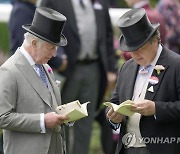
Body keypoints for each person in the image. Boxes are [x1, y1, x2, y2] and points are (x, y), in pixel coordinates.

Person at [40, 0, 117, 154]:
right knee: (61, 120)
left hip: (94, 69)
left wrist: (111, 69)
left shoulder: (100, 2)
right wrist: (58, 60)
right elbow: (44, 29)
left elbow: (108, 35)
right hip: (66, 71)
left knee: (85, 123)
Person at [106, 8, 180, 154]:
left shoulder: (176, 64)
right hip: (127, 148)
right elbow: (115, 101)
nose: (134, 54)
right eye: (130, 49)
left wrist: (156, 109)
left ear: (154, 41)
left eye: (139, 48)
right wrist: (114, 117)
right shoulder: (127, 67)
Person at [0, 7, 69, 154]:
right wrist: (42, 121)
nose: (55, 54)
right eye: (51, 48)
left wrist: (67, 113)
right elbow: (2, 117)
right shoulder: (9, 70)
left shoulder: (44, 65)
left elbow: (47, 105)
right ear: (34, 44)